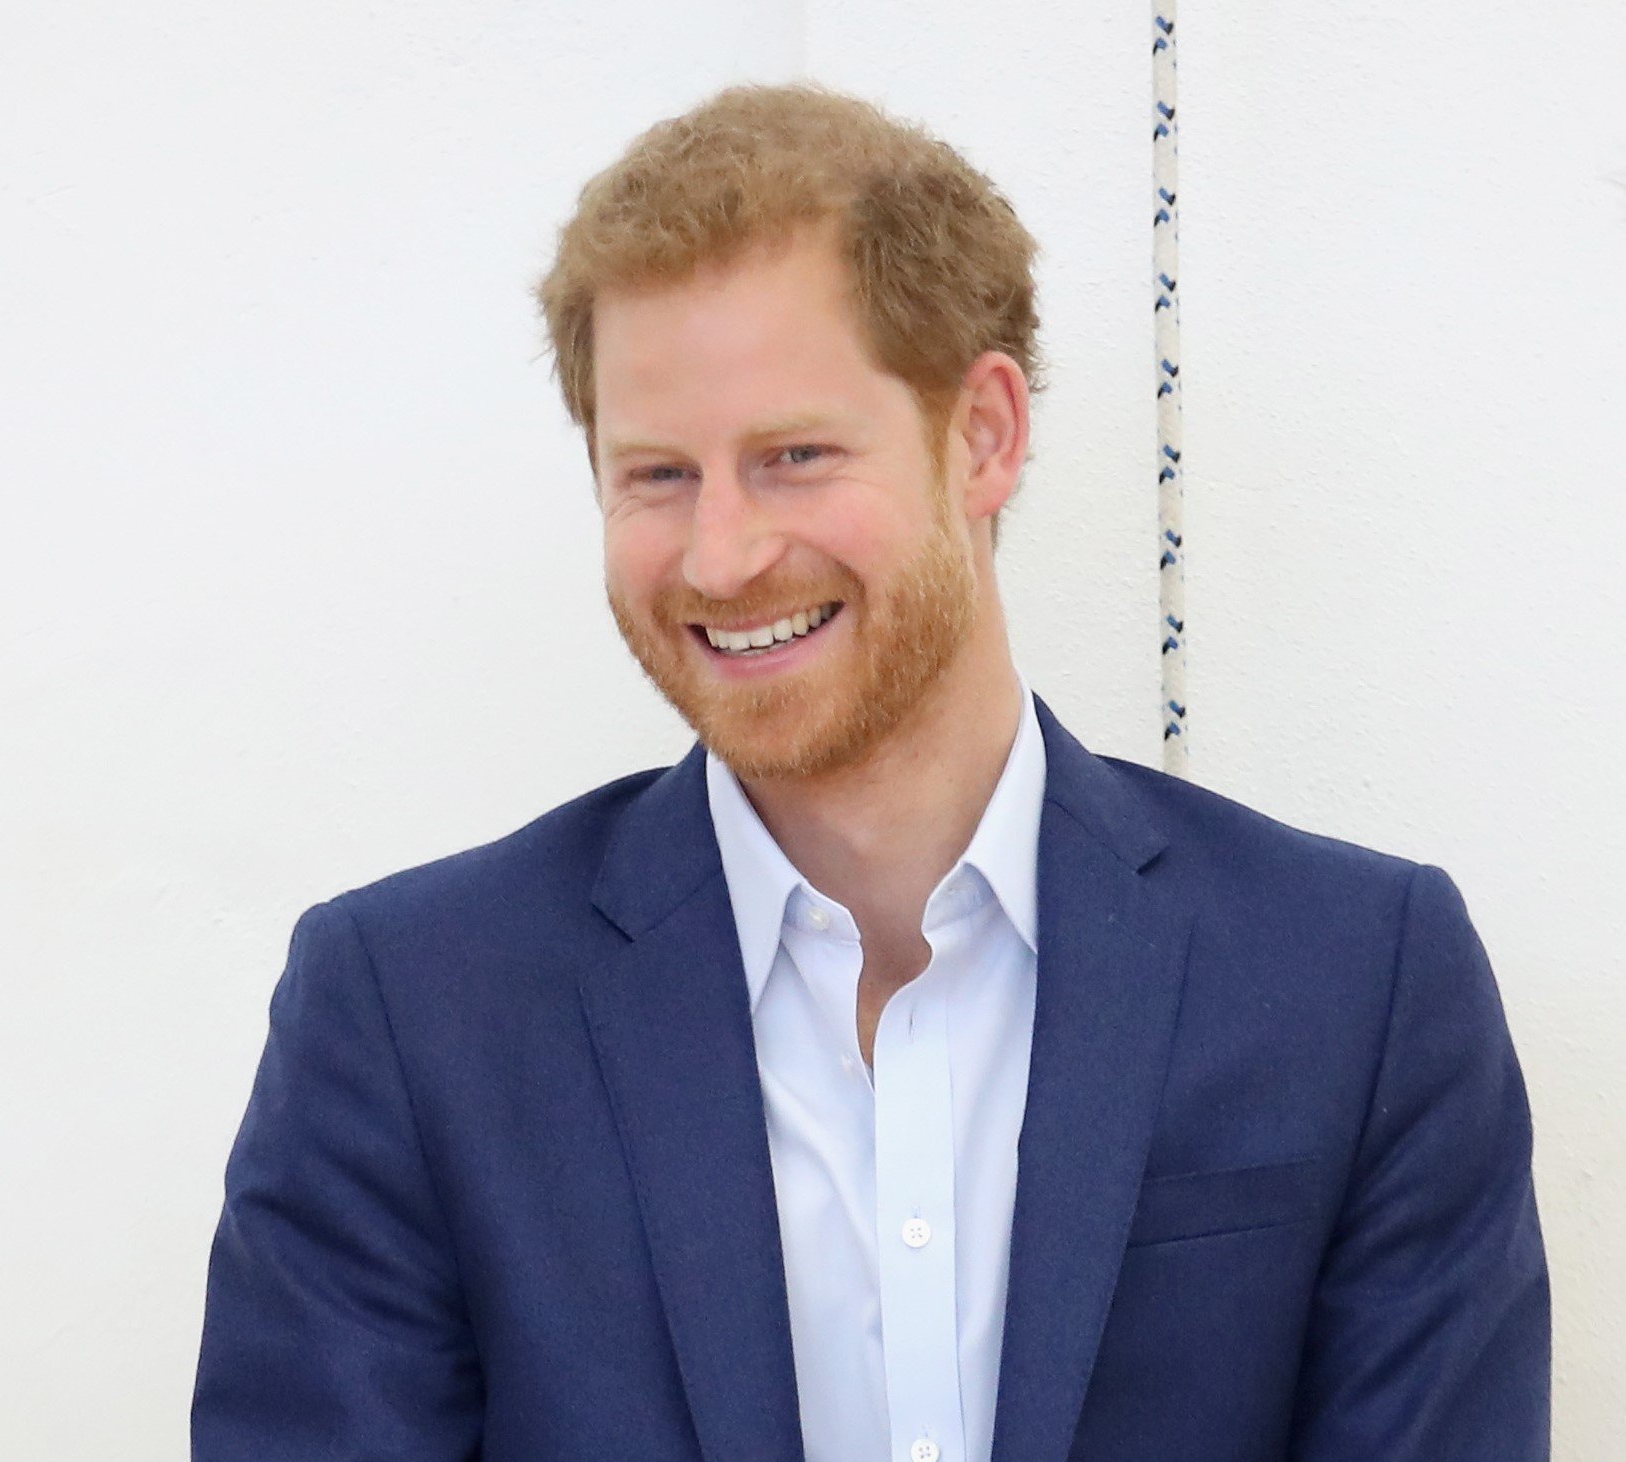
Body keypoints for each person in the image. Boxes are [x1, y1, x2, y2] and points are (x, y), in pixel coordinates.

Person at [192, 83, 1550, 1461]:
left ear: (984, 434)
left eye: (792, 456)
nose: (720, 556)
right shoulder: (410, 1015)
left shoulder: (1357, 981)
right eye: (657, 474)